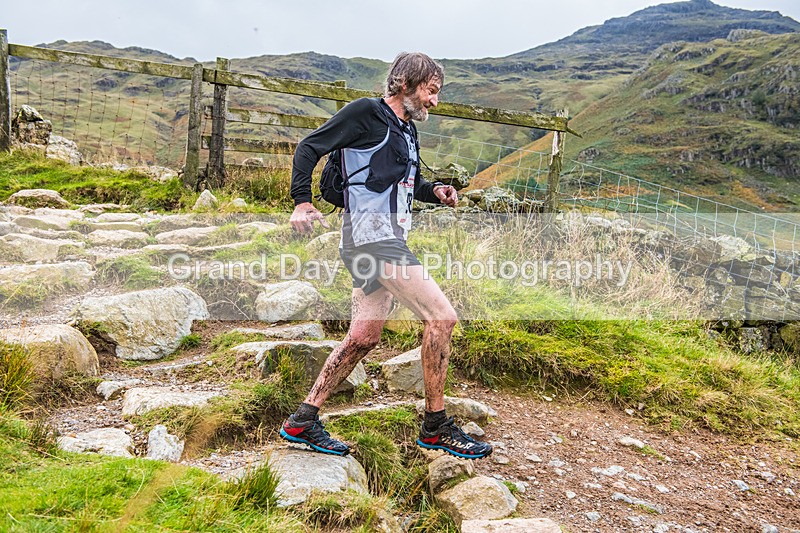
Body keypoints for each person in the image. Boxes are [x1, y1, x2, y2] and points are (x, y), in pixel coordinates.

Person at [280, 52, 492, 460]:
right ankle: (435, 426)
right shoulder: (365, 113)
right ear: (405, 83)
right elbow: (309, 147)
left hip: (382, 238)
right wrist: (301, 203)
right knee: (442, 318)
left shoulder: (407, 129)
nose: (435, 101)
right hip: (372, 240)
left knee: (364, 336)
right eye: (431, 91)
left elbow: (397, 181)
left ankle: (303, 420)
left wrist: (435, 191)